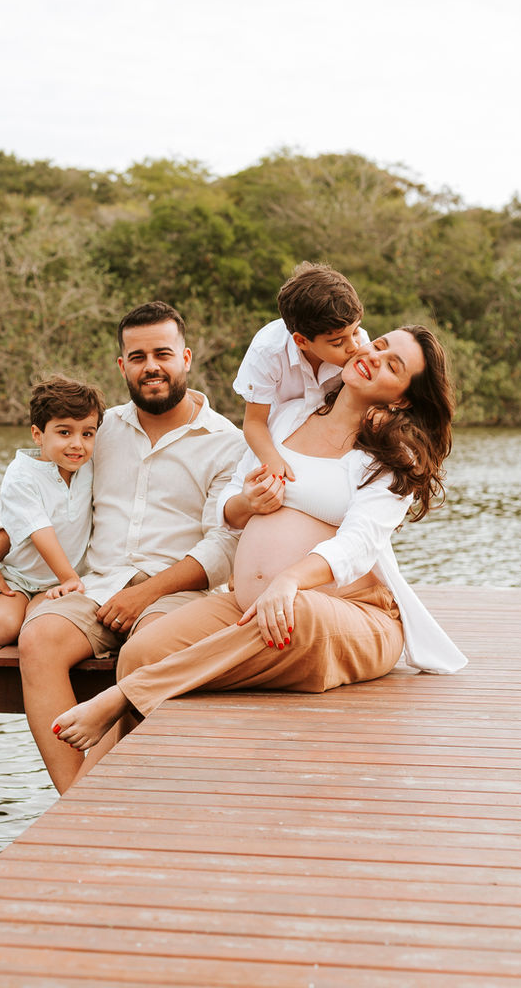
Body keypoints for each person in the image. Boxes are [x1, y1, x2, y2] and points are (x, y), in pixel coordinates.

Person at [52, 326, 468, 776]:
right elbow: (225, 511)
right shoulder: (288, 417)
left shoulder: (392, 455)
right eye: (380, 345)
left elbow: (358, 545)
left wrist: (288, 580)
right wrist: (246, 504)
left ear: (403, 398)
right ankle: (101, 795)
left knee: (300, 613)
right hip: (248, 605)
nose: (375, 357)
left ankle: (121, 698)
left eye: (393, 366)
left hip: (351, 614)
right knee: (141, 653)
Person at [0, 301, 245, 792]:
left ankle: (83, 806)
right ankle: (75, 799)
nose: (151, 367)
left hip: (177, 594)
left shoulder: (228, 442)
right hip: (96, 585)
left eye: (162, 353)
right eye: (137, 357)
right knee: (38, 639)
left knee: (146, 654)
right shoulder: (100, 428)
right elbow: (41, 492)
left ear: (186, 357)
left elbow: (223, 548)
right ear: (123, 365)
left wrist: (144, 594)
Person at [0, 376, 106, 647]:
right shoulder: (21, 475)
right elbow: (40, 531)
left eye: (87, 433)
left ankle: (33, 610)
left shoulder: (88, 468)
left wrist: (70, 579)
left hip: (66, 581)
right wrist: (68, 578)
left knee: (41, 627)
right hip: (21, 578)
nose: (77, 444)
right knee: (2, 629)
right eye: (64, 432)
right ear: (38, 435)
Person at [235, 261, 368, 482]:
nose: (354, 346)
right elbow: (254, 422)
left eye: (355, 331)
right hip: (281, 437)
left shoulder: (359, 344)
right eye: (337, 343)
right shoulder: (267, 351)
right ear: (302, 341)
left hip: (338, 439)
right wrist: (272, 459)